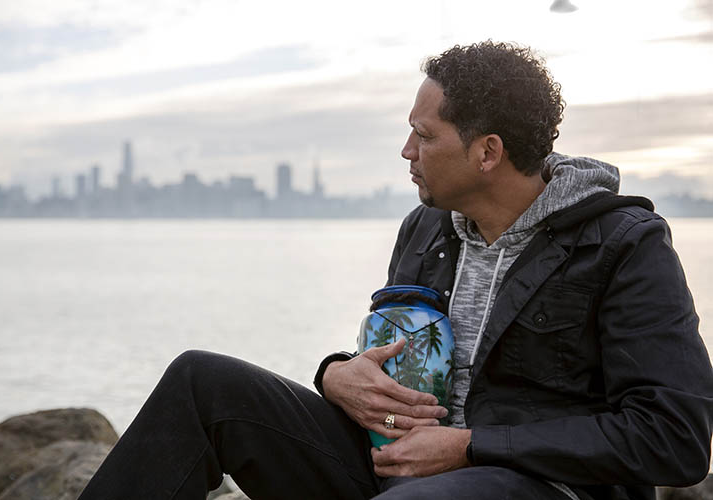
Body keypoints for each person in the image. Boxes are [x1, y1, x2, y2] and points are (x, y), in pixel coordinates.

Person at [79, 41, 713, 500]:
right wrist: (333, 376)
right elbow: (384, 356)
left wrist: (468, 447)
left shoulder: (624, 245)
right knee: (201, 381)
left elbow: (675, 439)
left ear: (487, 151)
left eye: (423, 135)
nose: (406, 152)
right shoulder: (428, 227)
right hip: (395, 467)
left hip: (542, 485)